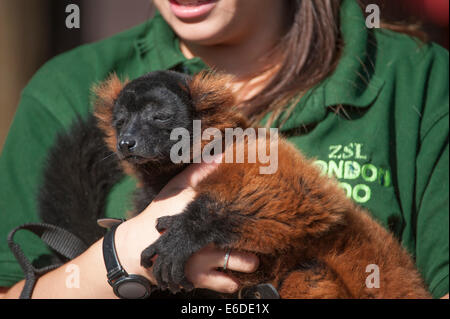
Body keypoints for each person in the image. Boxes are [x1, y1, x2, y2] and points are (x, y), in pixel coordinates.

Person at [0, 0, 448, 299]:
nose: (130, 136)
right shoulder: (67, 87)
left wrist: (207, 219)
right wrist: (120, 257)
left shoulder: (418, 78)